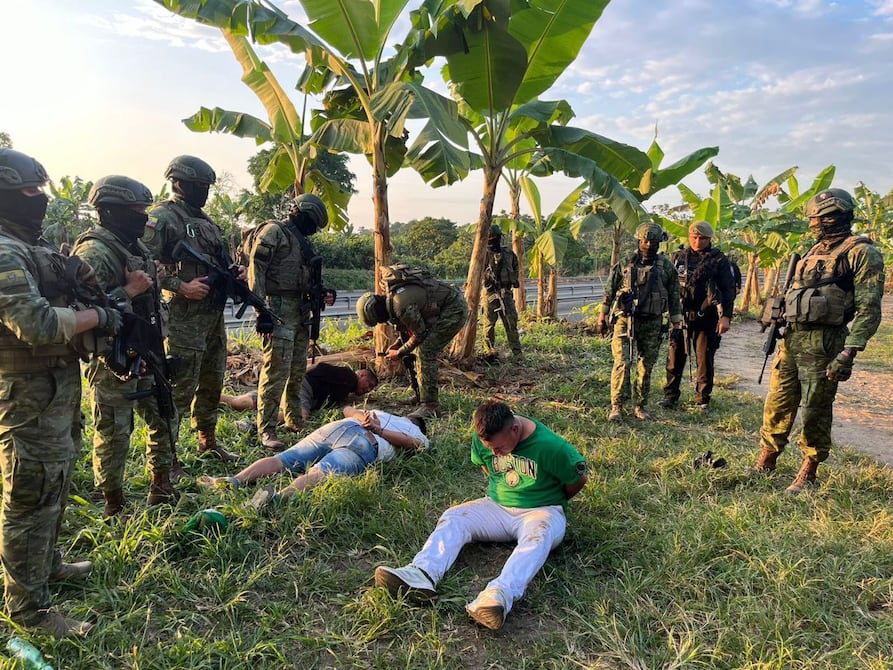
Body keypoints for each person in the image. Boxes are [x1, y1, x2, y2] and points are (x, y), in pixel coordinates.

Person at [0, 148, 123, 637]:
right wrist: (98, 317)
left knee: (55, 482)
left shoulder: (33, 245)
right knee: (29, 494)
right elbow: (35, 322)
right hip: (25, 392)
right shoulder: (5, 252)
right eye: (31, 191)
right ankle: (27, 609)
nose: (41, 199)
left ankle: (47, 566)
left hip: (56, 386)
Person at [374, 399, 586, 631]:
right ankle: (421, 573)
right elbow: (487, 467)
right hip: (496, 506)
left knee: (537, 537)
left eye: (499, 448)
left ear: (515, 429)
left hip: (542, 510)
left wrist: (548, 501)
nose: (495, 453)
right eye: (490, 448)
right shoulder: (484, 437)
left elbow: (577, 481)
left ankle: (499, 596)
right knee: (455, 516)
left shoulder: (551, 447)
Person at [752, 188, 885, 494]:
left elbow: (869, 309)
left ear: (837, 216)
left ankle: (809, 470)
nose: (815, 223)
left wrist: (849, 353)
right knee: (778, 403)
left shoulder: (861, 252)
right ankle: (767, 458)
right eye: (814, 217)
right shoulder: (811, 250)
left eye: (821, 217)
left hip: (826, 342)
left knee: (815, 408)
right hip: (793, 338)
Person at [71, 175, 180, 517]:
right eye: (135, 210)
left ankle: (161, 485)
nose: (142, 217)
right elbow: (80, 313)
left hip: (148, 347)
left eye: (143, 210)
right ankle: (113, 503)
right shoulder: (94, 252)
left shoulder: (134, 246)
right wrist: (127, 292)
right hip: (113, 356)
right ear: (110, 212)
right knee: (115, 430)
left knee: (164, 414)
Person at [144, 155, 245, 465]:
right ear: (178, 183)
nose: (205, 192)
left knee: (212, 380)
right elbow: (141, 261)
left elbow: (219, 261)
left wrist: (236, 272)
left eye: (207, 187)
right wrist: (180, 285)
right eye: (200, 186)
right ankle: (166, 458)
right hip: (184, 316)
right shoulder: (162, 218)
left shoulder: (207, 222)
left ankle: (207, 440)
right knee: (179, 387)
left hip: (212, 316)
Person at [245, 194, 336, 451]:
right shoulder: (275, 232)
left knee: (297, 371)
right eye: (312, 223)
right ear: (300, 214)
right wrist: (260, 311)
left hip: (299, 311)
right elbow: (256, 270)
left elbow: (304, 277)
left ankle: (294, 419)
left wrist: (324, 292)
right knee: (275, 372)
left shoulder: (302, 244)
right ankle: (267, 427)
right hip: (277, 309)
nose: (313, 230)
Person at [196, 406, 428, 504]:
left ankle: (233, 481)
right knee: (320, 472)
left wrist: (362, 418)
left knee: (284, 459)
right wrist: (377, 430)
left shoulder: (380, 412)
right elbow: (414, 444)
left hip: (340, 426)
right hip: (364, 442)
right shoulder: (416, 430)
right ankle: (275, 499)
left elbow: (347, 409)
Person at [355, 265, 468, 418]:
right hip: (443, 307)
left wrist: (400, 352)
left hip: (454, 308)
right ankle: (421, 396)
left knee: (425, 351)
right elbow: (411, 331)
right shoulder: (394, 300)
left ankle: (430, 406)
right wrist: (400, 345)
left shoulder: (401, 306)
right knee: (419, 350)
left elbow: (419, 335)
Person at [596, 223, 682, 422]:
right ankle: (617, 406)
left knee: (645, 366)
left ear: (659, 242)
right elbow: (609, 291)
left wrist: (677, 325)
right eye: (645, 241)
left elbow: (674, 296)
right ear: (638, 241)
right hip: (625, 320)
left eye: (653, 241)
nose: (649, 245)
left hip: (652, 322)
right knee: (622, 363)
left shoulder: (666, 267)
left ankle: (640, 406)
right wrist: (602, 317)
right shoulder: (626, 262)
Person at [659, 221, 736, 413]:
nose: (697, 241)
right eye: (694, 237)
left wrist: (725, 317)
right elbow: (667, 286)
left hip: (707, 317)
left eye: (702, 238)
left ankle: (702, 399)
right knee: (674, 357)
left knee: (704, 359)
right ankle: (670, 395)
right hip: (681, 315)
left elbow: (728, 291)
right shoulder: (679, 257)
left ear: (709, 239)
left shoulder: (719, 260)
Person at [219, 363, 379, 423]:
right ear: (362, 375)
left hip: (295, 385)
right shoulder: (349, 377)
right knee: (298, 417)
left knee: (246, 402)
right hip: (304, 387)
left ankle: (210, 397)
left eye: (371, 389)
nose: (368, 389)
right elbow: (320, 367)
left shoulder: (346, 388)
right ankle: (252, 425)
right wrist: (295, 375)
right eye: (369, 384)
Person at [483, 224, 522, 357]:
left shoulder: (508, 253)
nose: (494, 239)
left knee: (511, 323)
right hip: (490, 294)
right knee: (489, 325)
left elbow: (516, 267)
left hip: (506, 293)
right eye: (492, 236)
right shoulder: (482, 255)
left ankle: (517, 353)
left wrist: (513, 279)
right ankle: (489, 352)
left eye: (496, 236)